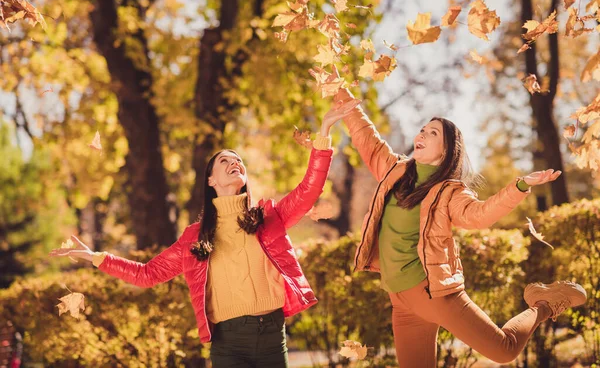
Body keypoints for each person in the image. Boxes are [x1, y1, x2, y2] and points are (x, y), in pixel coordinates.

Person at [49, 98, 361, 368]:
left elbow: (308, 191)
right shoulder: (195, 238)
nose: (234, 162)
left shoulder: (268, 217)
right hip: (228, 343)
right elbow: (147, 274)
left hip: (272, 336)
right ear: (210, 180)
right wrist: (95, 257)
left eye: (238, 160)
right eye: (224, 160)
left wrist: (324, 133)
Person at [336, 90, 587, 366]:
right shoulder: (394, 171)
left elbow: (481, 215)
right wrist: (340, 92)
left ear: (445, 151)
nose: (421, 135)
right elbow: (366, 139)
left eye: (432, 133)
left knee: (505, 350)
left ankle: (543, 304)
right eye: (422, 130)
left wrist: (520, 186)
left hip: (434, 295)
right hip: (402, 303)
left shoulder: (449, 192)